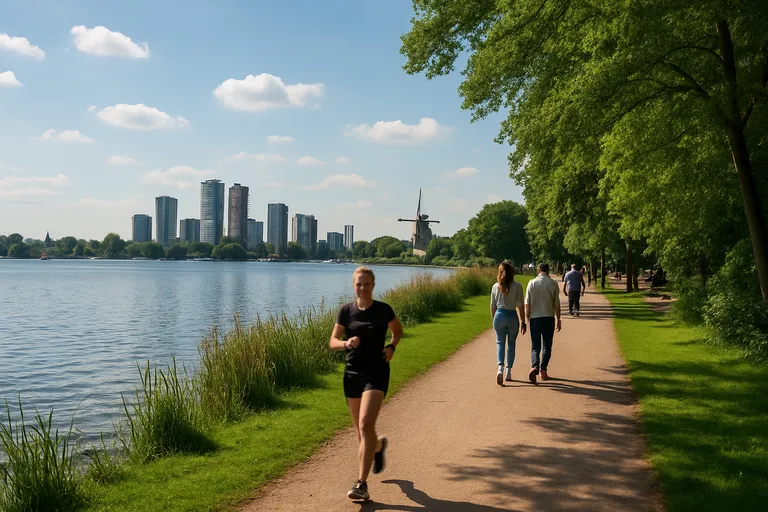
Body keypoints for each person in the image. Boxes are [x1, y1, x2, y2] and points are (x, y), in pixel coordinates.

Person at [329, 267, 404, 501]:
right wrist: (345, 343)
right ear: (354, 286)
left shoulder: (383, 310)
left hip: (377, 372)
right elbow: (332, 341)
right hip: (352, 374)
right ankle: (379, 446)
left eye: (367, 284)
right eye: (358, 284)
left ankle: (361, 484)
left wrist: (392, 346)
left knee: (365, 424)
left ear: (373, 285)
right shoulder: (345, 310)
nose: (362, 288)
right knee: (362, 434)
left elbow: (397, 330)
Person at [490, 261, 526, 385]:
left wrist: (494, 319)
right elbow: (521, 306)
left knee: (500, 342)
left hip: (499, 315)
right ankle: (508, 371)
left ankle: (500, 368)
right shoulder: (517, 286)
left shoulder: (495, 286)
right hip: (511, 316)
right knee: (511, 344)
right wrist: (523, 322)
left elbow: (492, 306)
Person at [525, 263, 561, 383]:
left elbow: (527, 303)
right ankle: (543, 370)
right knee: (547, 345)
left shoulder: (531, 283)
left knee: (535, 346)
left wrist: (527, 316)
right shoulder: (553, 283)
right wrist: (559, 318)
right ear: (548, 271)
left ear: (539, 270)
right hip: (548, 317)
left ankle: (535, 366)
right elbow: (556, 303)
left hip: (535, 318)